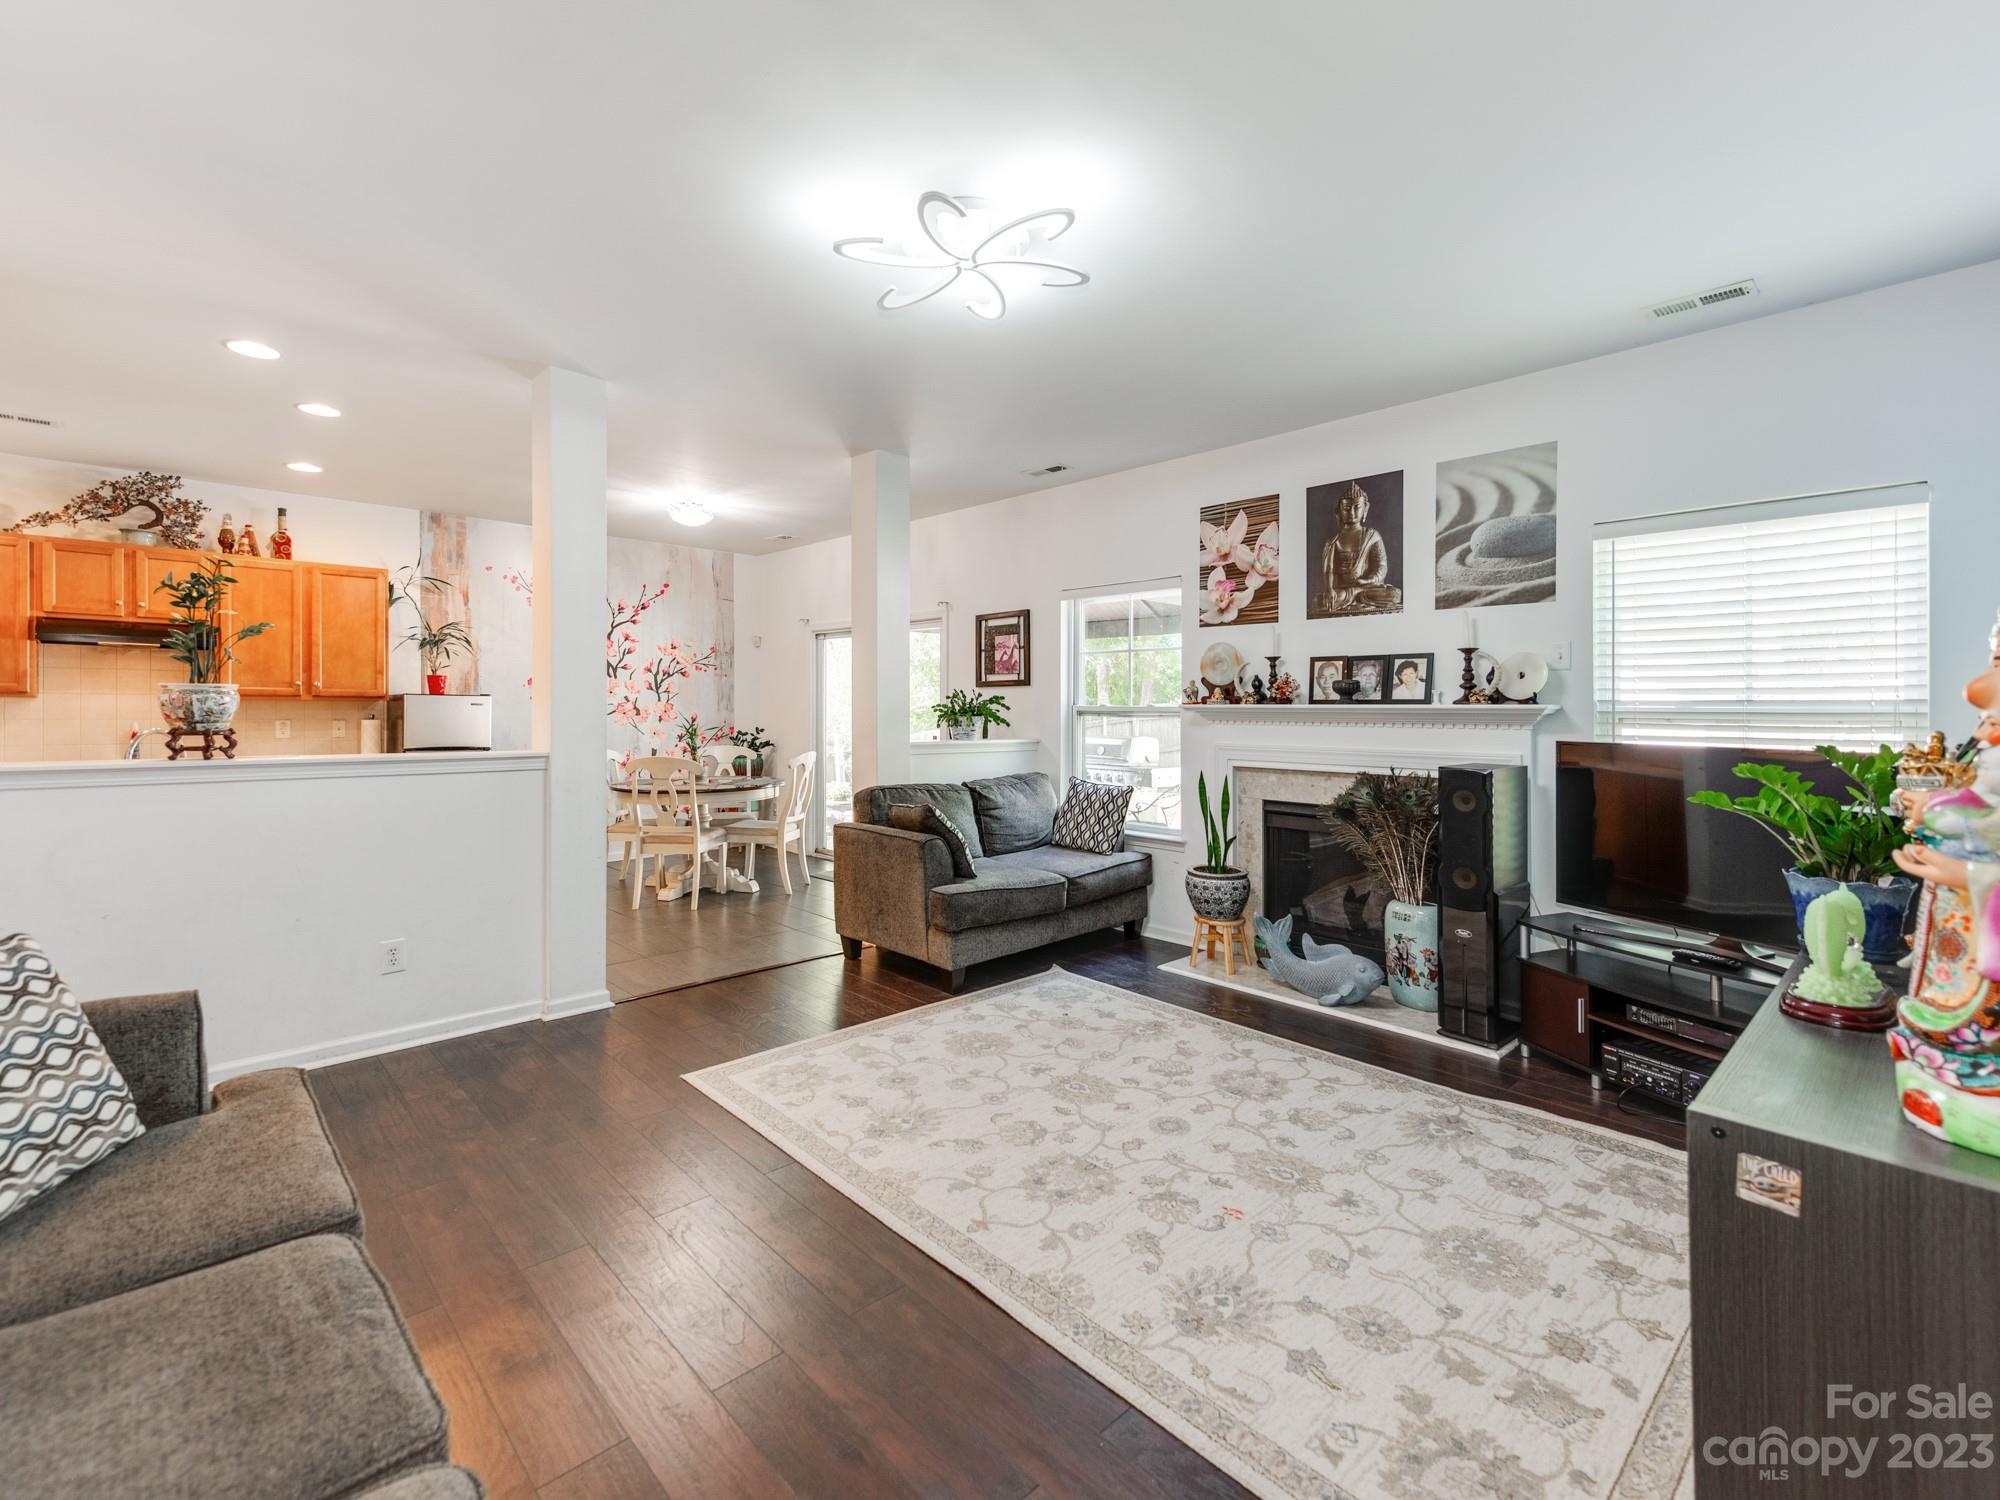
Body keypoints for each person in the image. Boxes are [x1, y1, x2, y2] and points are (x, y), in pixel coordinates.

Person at [1317, 480, 1402, 615]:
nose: (1352, 512)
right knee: (1320, 600)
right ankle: (1355, 596)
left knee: (1394, 594)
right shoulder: (1333, 541)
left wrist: (1366, 580)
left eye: (1357, 507)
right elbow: (1329, 570)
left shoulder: (1372, 535)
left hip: (1368, 587)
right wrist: (1329, 589)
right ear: (1339, 510)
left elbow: (1381, 566)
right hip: (1344, 591)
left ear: (1365, 508)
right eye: (1347, 508)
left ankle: (1358, 595)